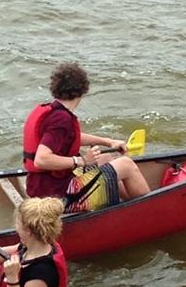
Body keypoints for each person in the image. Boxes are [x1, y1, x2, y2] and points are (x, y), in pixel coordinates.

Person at [23, 62, 149, 210]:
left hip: (41, 188)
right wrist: (81, 160)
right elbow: (41, 160)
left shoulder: (54, 111)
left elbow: (69, 137)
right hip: (58, 197)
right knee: (126, 165)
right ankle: (149, 209)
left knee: (105, 159)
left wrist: (108, 142)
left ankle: (129, 204)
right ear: (82, 90)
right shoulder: (61, 120)